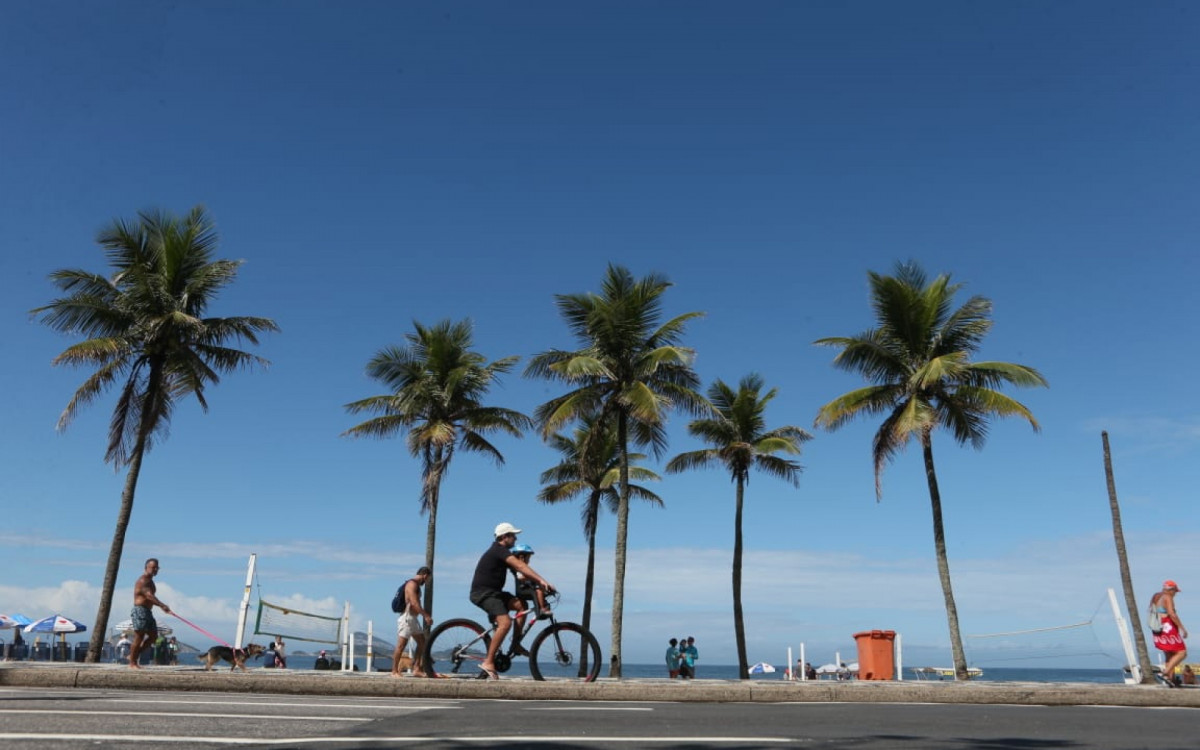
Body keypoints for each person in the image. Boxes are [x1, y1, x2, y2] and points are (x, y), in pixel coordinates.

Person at [469, 522, 555, 680]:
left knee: (522, 605)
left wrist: (537, 587)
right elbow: (521, 567)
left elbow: (521, 573)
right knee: (505, 623)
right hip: (483, 594)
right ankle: (488, 662)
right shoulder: (498, 550)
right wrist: (543, 581)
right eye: (512, 535)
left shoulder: (503, 552)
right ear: (503, 537)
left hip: (496, 594)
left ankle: (515, 643)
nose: (515, 538)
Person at [391, 566, 433, 677]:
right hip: (407, 618)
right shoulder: (412, 584)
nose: (427, 581)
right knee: (401, 645)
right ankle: (394, 671)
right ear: (425, 575)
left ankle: (417, 669)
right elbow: (414, 603)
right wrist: (426, 616)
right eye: (428, 579)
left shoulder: (416, 585)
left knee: (422, 643)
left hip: (413, 619)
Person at [130, 558, 171, 669]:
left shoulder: (150, 581)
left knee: (153, 636)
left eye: (157, 567)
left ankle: (134, 655)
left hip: (147, 611)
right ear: (146, 567)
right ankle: (132, 663)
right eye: (153, 567)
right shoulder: (143, 580)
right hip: (140, 610)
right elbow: (149, 596)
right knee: (139, 637)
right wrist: (162, 605)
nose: (155, 569)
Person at [1150, 579, 1188, 686]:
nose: (1175, 594)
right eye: (1175, 591)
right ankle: (1165, 673)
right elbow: (1172, 614)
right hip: (1168, 627)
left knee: (1170, 654)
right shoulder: (1168, 597)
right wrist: (1182, 628)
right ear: (1171, 590)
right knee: (1182, 652)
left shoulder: (1156, 597)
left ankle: (1170, 680)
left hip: (1158, 628)